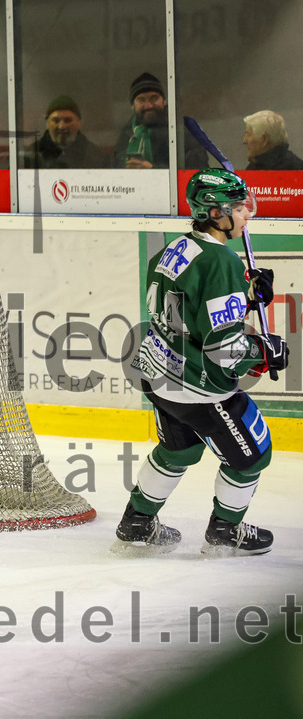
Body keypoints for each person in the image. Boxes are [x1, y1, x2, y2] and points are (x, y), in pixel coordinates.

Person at [117, 169, 289, 556]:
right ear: (215, 213)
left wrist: (245, 297)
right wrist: (264, 351)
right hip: (197, 385)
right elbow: (223, 350)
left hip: (157, 373)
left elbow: (192, 310)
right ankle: (226, 531)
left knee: (179, 451)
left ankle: (137, 521)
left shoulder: (176, 248)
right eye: (239, 208)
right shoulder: (220, 262)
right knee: (252, 456)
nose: (247, 214)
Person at [113, 73, 208, 170]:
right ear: (132, 105)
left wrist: (153, 169)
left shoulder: (182, 132)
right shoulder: (126, 135)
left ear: (164, 101)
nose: (149, 106)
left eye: (154, 98)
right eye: (141, 100)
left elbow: (199, 170)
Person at [24, 95, 108, 169]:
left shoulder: (95, 156)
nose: (62, 126)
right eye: (56, 121)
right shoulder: (31, 155)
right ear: (47, 124)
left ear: (79, 124)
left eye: (68, 120)